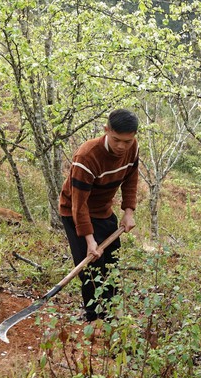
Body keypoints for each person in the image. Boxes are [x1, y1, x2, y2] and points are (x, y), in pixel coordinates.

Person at [59, 109, 139, 322]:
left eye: (127, 141)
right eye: (116, 140)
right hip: (75, 211)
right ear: (106, 131)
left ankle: (112, 315)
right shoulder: (87, 156)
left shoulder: (133, 149)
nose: (122, 146)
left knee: (111, 262)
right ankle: (94, 320)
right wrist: (89, 239)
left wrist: (128, 212)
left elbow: (131, 179)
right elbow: (79, 205)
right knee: (91, 267)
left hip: (104, 210)